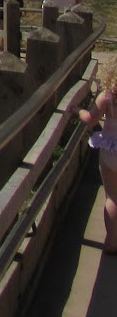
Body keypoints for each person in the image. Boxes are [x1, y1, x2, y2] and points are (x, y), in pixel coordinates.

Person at [77, 59, 117, 255]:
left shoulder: (108, 96)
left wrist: (77, 110)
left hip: (110, 153)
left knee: (112, 197)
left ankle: (111, 240)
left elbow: (91, 120)